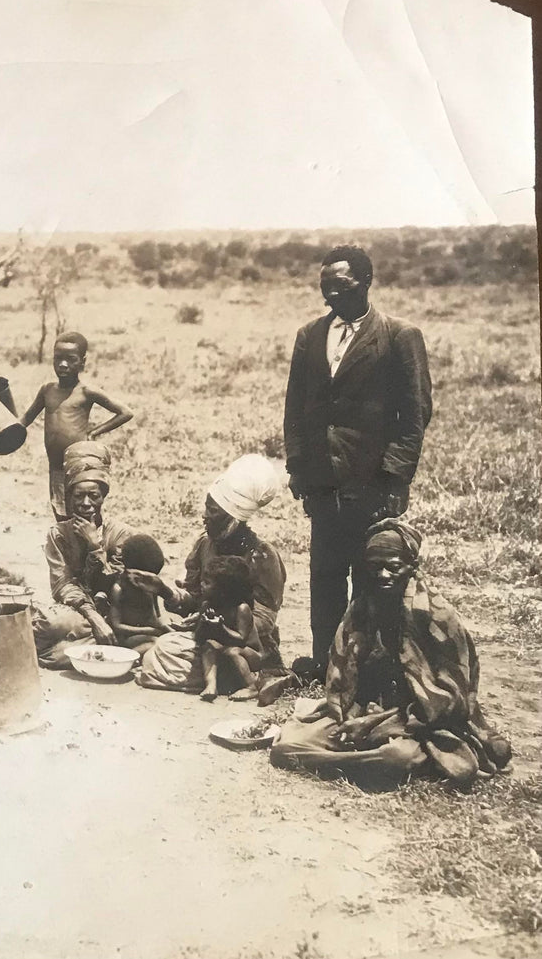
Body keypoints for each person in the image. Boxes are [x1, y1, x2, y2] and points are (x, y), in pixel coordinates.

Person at [270, 520, 511, 790]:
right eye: (375, 567)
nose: (383, 575)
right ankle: (361, 761)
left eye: (393, 567)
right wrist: (356, 717)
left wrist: (377, 723)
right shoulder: (361, 612)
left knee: (397, 757)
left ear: (412, 567)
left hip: (420, 727)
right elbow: (344, 684)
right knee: (286, 747)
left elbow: (450, 704)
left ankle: (353, 761)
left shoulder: (437, 619)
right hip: (366, 717)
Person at [284, 246, 432, 680]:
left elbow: (416, 413)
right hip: (322, 483)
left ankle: (372, 669)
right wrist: (298, 465)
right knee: (325, 575)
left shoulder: (399, 336)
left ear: (366, 282)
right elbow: (296, 408)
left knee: (373, 578)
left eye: (341, 284)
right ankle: (326, 665)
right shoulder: (309, 335)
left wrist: (393, 477)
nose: (331, 292)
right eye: (324, 284)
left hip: (372, 483)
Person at [134, 454, 287, 696]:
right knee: (161, 648)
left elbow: (265, 620)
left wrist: (218, 622)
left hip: (244, 644)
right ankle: (219, 680)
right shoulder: (205, 546)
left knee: (164, 655)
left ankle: (242, 678)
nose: (204, 516)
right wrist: (164, 590)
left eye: (212, 510)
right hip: (209, 636)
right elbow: (194, 598)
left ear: (233, 518)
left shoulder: (262, 555)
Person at [31, 442, 135, 669]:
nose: (86, 504)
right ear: (69, 496)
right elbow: (62, 584)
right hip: (77, 612)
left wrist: (95, 546)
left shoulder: (121, 534)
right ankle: (97, 645)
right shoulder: (58, 534)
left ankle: (77, 649)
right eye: (79, 496)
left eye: (93, 496)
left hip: (114, 612)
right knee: (51, 624)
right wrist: (93, 617)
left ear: (104, 496)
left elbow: (117, 583)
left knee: (53, 651)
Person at [21, 332, 133, 519]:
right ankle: (66, 547)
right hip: (56, 465)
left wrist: (95, 432)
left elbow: (126, 412)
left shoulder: (86, 391)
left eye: (70, 359)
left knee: (84, 511)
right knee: (60, 512)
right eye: (58, 359)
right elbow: (26, 419)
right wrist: (1, 433)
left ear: (82, 362)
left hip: (80, 465)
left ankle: (89, 547)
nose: (63, 364)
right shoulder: (47, 390)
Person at [194, 556, 263, 701]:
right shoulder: (208, 605)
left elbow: (241, 639)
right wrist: (204, 623)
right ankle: (211, 684)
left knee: (233, 651)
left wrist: (220, 627)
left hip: (250, 655)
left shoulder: (241, 609)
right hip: (224, 651)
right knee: (208, 645)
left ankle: (251, 687)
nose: (201, 584)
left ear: (223, 590)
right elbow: (199, 637)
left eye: (207, 583)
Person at [106, 533, 171, 658]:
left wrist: (166, 628)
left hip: (147, 635)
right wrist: (150, 631)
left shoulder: (149, 588)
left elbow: (155, 617)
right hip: (126, 638)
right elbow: (117, 626)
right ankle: (123, 659)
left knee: (168, 642)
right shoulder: (119, 589)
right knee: (155, 644)